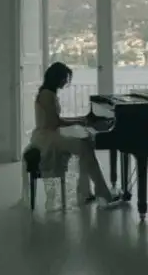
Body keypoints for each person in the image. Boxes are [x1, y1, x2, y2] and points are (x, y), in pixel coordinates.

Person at [28, 61, 120, 208]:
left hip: (51, 134)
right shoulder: (46, 95)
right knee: (84, 146)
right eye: (64, 78)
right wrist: (80, 121)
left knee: (85, 144)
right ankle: (101, 193)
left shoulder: (49, 93)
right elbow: (55, 122)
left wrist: (80, 120)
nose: (66, 82)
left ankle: (86, 191)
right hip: (47, 138)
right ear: (56, 78)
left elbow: (56, 121)